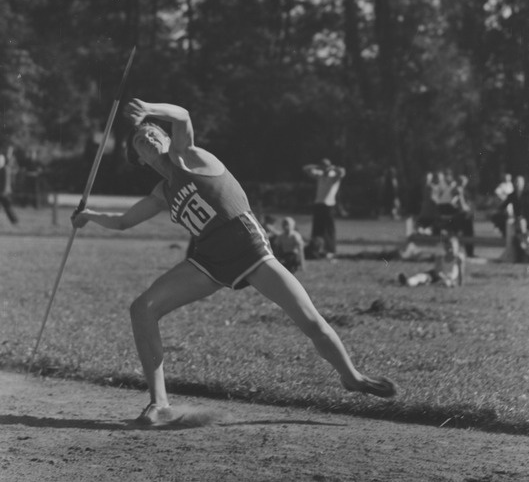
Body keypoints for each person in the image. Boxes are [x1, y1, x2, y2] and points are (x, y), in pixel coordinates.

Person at [72, 99, 396, 425]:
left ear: (167, 140)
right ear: (140, 159)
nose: (147, 138)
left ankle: (351, 376)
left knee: (309, 321)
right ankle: (159, 405)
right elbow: (124, 221)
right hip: (209, 261)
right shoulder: (161, 192)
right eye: (140, 141)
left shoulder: (188, 156)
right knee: (142, 308)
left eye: (153, 132)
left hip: (250, 250)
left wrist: (149, 109)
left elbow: (183, 115)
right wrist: (88, 216)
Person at [302, 158, 346, 258]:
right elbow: (305, 168)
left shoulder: (333, 177)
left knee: (329, 230)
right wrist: (318, 167)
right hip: (318, 204)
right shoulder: (320, 175)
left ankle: (330, 250)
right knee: (317, 229)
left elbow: (342, 172)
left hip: (329, 205)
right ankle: (316, 249)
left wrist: (332, 168)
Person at [398, 233, 465, 288]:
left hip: (449, 279)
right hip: (436, 276)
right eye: (448, 248)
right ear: (445, 248)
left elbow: (460, 272)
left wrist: (459, 283)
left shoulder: (459, 258)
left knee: (446, 284)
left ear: (457, 248)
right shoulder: (440, 257)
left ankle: (419, 283)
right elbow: (438, 272)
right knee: (422, 277)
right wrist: (445, 278)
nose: (451, 250)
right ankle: (408, 281)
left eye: (453, 248)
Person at [0, 145, 19, 225]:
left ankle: (14, 221)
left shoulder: (4, 170)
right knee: (7, 205)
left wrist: (4, 190)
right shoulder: (4, 169)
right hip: (3, 190)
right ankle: (14, 221)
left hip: (2, 190)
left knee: (7, 205)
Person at [491, 173, 514, 237]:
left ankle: (507, 231)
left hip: (510, 204)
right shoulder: (502, 185)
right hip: (505, 204)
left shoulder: (510, 185)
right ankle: (502, 229)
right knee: (506, 217)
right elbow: (497, 192)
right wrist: (503, 198)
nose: (507, 179)